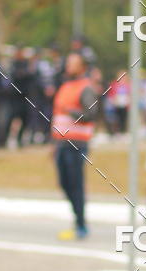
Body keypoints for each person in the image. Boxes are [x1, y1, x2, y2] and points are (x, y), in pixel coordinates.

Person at [51, 52, 97, 240]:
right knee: (64, 183)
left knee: (76, 184)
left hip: (76, 144)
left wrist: (72, 112)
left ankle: (81, 224)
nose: (68, 66)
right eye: (68, 62)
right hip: (61, 143)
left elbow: (91, 113)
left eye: (73, 63)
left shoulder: (86, 88)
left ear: (82, 67)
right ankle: (77, 218)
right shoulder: (65, 86)